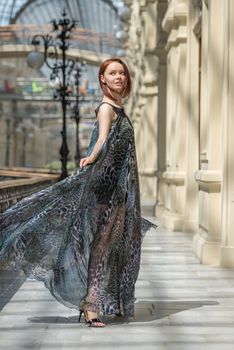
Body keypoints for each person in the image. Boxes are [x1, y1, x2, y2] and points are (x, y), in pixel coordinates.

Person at [0, 58, 156, 328]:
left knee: (110, 244)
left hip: (119, 189)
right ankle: (91, 306)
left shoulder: (121, 108)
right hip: (105, 188)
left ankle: (103, 300)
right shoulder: (107, 108)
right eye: (113, 73)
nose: (119, 77)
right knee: (101, 245)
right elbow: (102, 139)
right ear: (102, 79)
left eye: (122, 73)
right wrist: (93, 155)